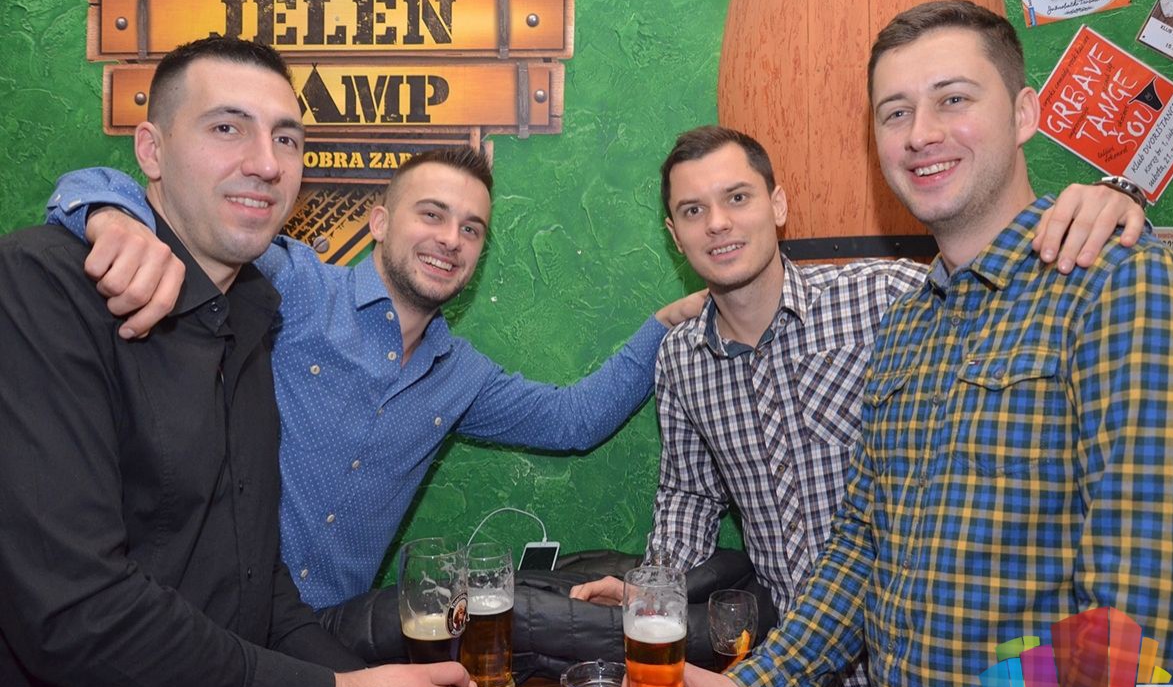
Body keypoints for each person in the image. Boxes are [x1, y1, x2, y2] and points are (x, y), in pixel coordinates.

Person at [631, 0, 1173, 687]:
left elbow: (1147, 613)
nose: (921, 133)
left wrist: (1120, 197)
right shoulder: (905, 326)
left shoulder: (1119, 284)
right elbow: (863, 549)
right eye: (895, 113)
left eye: (953, 99)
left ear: (1024, 114)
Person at [569, 123, 1144, 687]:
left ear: (778, 205)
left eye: (737, 197)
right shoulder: (681, 358)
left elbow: (1007, 294)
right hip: (791, 681)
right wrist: (650, 592)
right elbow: (689, 495)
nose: (718, 223)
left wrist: (1115, 204)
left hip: (921, 682)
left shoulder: (886, 298)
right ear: (674, 235)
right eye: (693, 210)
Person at [0, 36, 478, 687]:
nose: (265, 163)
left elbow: (257, 587)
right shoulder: (44, 284)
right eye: (227, 128)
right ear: (151, 151)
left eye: (286, 139)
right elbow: (78, 611)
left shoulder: (254, 317)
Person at [46, 145, 701, 617]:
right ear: (379, 222)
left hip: (329, 635)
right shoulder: (296, 286)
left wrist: (664, 323)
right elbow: (115, 192)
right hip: (204, 619)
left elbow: (575, 421)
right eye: (431, 215)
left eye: (471, 228)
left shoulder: (461, 376)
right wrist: (110, 217)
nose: (450, 239)